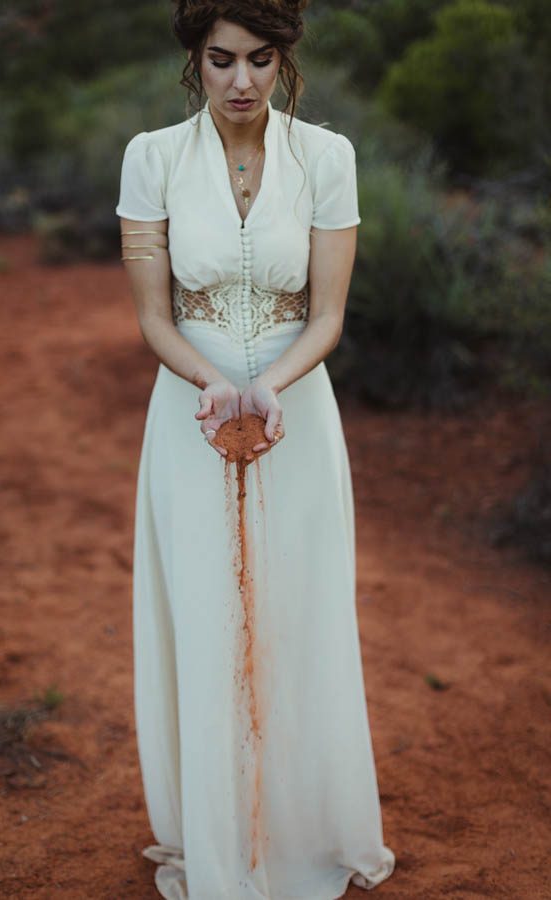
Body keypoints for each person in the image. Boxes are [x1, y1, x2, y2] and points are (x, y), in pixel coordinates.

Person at [115, 2, 396, 897]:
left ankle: (301, 827)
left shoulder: (329, 158)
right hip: (188, 411)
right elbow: (155, 316)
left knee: (300, 612)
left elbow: (329, 316)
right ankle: (217, 834)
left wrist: (272, 385)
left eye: (261, 61)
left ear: (285, 62)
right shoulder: (151, 157)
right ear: (194, 61)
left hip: (297, 410)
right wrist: (212, 383)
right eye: (222, 60)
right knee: (203, 617)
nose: (242, 82)